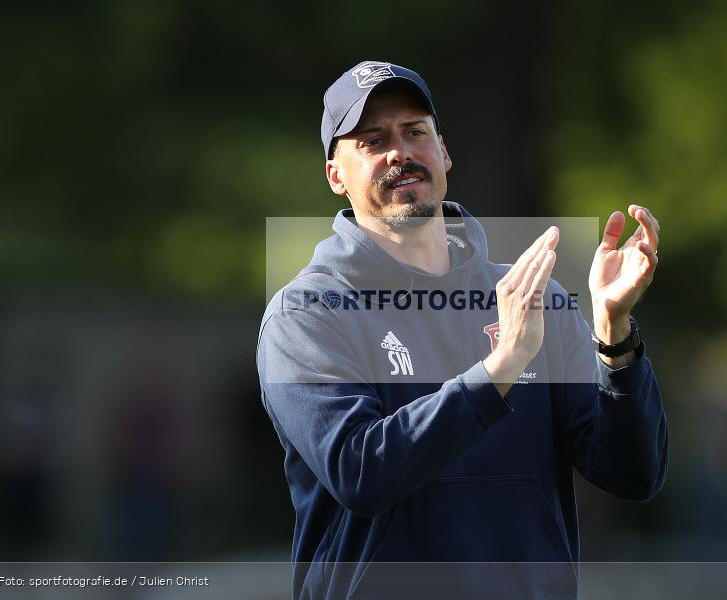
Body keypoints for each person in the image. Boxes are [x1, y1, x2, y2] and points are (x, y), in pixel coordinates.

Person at [257, 60, 668, 599]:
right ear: (337, 176)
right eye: (373, 140)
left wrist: (614, 338)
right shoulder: (307, 312)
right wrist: (500, 369)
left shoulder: (532, 299)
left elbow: (633, 476)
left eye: (414, 132)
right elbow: (360, 470)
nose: (399, 152)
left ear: (443, 152)